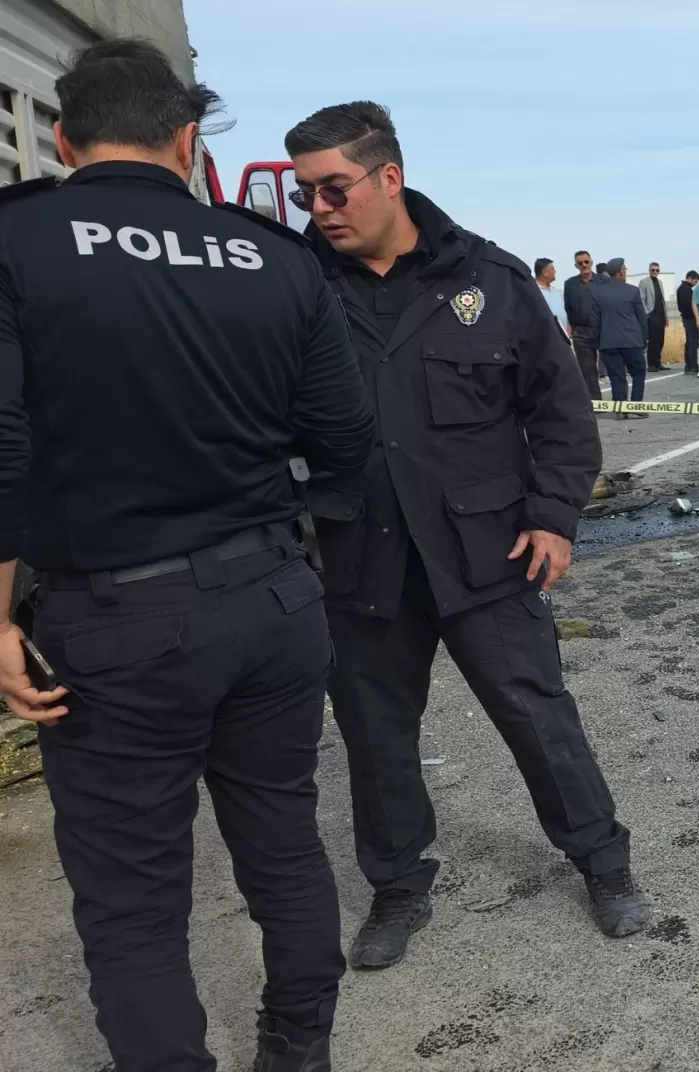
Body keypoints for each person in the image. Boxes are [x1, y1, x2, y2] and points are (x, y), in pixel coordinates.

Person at [0, 40, 376, 1072]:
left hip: (113, 619)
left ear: (64, 138)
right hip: (270, 597)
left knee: (132, 903)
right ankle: (298, 1048)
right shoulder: (273, 255)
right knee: (284, 842)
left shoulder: (19, 239)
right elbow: (345, 439)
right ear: (185, 138)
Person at [285, 101, 650, 970]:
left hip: (487, 551)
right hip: (359, 556)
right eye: (306, 195)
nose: (320, 209)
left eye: (333, 188)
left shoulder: (488, 278)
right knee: (376, 736)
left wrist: (553, 518)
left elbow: (561, 414)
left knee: (537, 716)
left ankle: (604, 864)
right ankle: (397, 888)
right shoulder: (295, 288)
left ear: (389, 177)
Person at [590, 259, 650, 414]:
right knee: (638, 372)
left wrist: (598, 342)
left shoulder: (598, 292)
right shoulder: (632, 291)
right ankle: (636, 406)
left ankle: (620, 408)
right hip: (632, 341)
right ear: (619, 273)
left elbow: (595, 321)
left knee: (617, 376)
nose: (626, 271)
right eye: (624, 269)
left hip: (608, 342)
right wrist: (644, 339)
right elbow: (641, 318)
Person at [563, 250, 602, 400]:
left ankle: (620, 401)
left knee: (612, 365)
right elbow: (568, 307)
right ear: (576, 266)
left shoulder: (603, 281)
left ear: (591, 262)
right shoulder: (570, 284)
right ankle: (595, 401)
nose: (584, 265)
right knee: (587, 368)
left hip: (603, 329)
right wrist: (572, 328)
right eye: (580, 263)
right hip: (581, 332)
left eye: (586, 262)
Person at [637, 262, 668, 370]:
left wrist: (666, 317)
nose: (655, 272)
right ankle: (651, 364)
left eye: (657, 270)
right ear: (649, 270)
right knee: (652, 340)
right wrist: (647, 313)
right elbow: (641, 299)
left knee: (660, 339)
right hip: (651, 314)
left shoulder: (660, 282)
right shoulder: (644, 282)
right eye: (653, 270)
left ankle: (657, 362)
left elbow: (662, 300)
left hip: (661, 314)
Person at [534, 257, 569, 338]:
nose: (555, 271)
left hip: (561, 337)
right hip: (544, 337)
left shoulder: (554, 291)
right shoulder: (534, 291)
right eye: (552, 269)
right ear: (545, 273)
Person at [676, 269, 699, 375]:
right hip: (689, 318)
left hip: (686, 318)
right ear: (690, 278)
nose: (695, 284)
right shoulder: (685, 290)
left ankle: (689, 365)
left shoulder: (683, 288)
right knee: (693, 342)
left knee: (690, 342)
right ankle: (692, 365)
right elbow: (690, 305)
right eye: (695, 281)